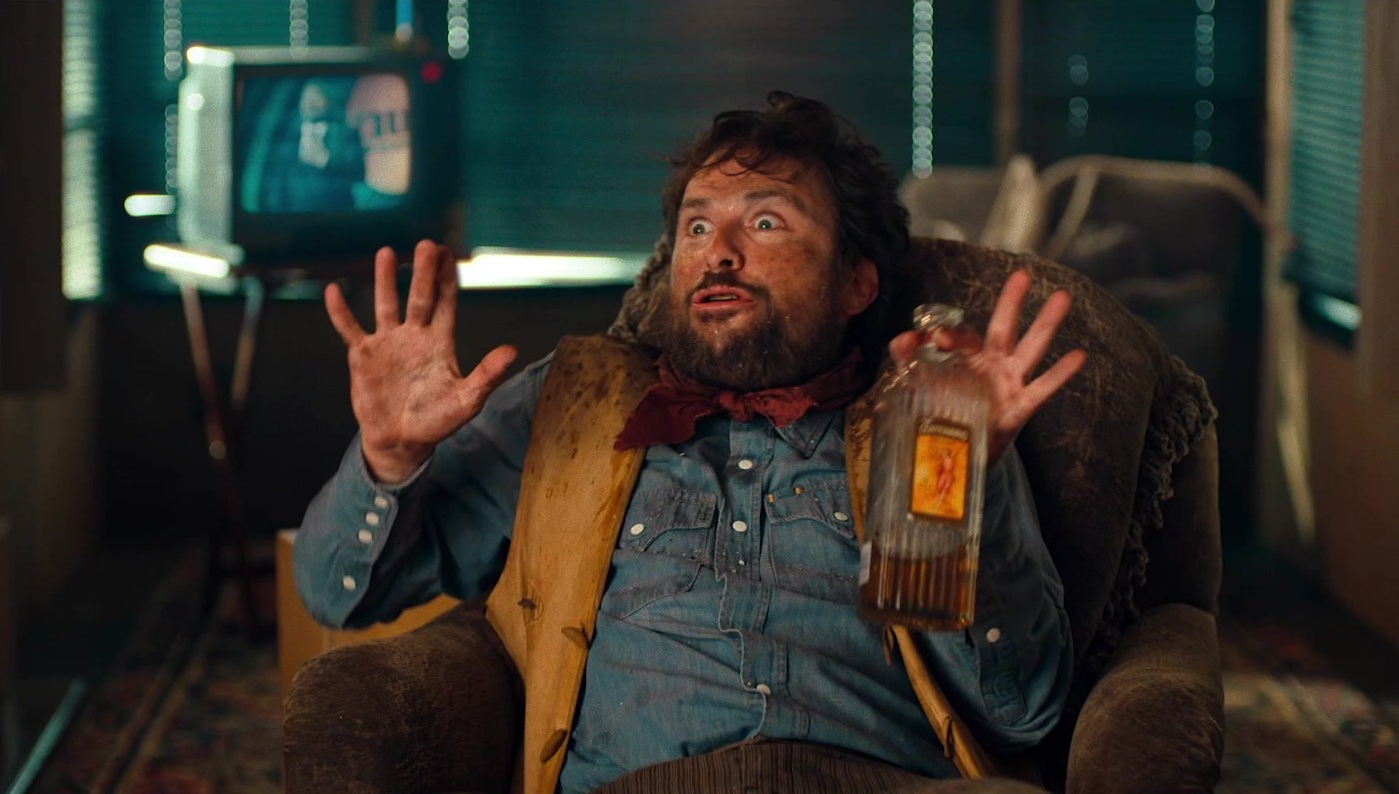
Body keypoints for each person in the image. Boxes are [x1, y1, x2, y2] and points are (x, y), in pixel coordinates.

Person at [294, 91, 1088, 793]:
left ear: (856, 282)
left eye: (766, 221)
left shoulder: (926, 423)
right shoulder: (573, 400)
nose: (718, 251)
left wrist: (960, 484)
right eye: (697, 225)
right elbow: (340, 594)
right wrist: (390, 458)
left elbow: (1022, 714)